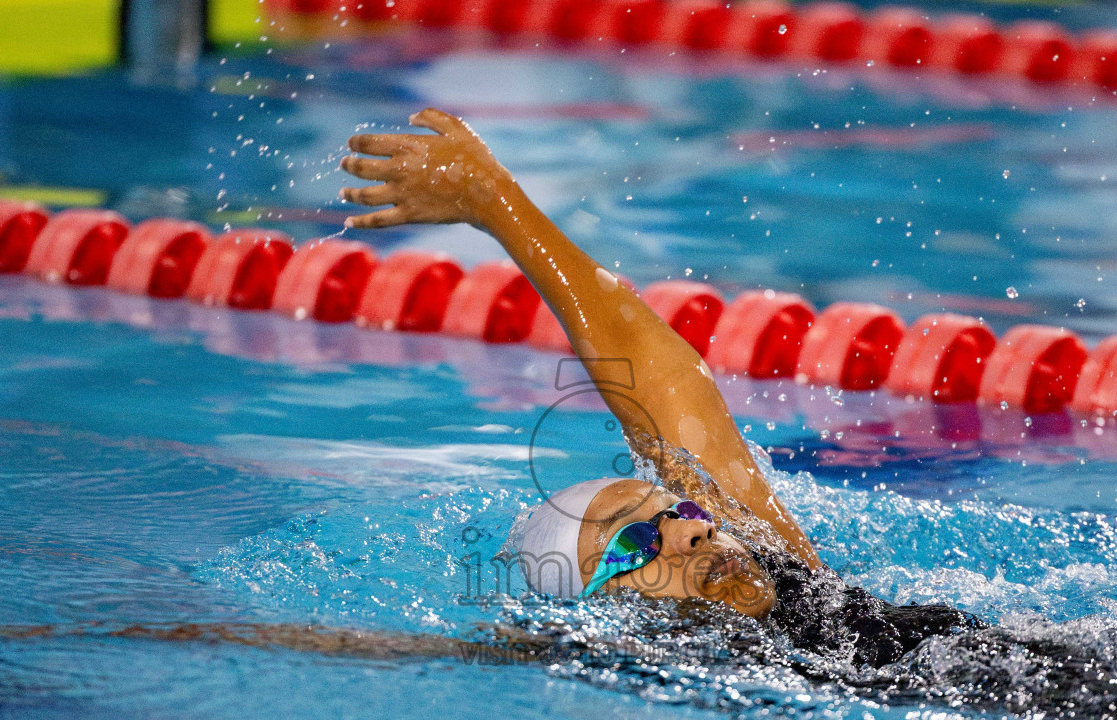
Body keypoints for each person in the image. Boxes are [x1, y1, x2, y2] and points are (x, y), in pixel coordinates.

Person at [339, 108, 974, 668]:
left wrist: (494, 201)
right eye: (634, 540)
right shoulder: (626, 661)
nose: (690, 531)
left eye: (680, 510)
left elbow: (653, 372)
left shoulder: (807, 593)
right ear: (593, 610)